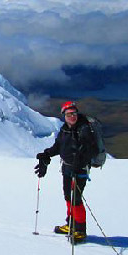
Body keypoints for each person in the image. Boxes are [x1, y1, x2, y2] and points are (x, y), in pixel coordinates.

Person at [35, 101, 97, 244]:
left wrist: (78, 164)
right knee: (68, 197)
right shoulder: (65, 130)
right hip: (67, 168)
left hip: (79, 170)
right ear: (64, 116)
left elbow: (90, 150)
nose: (72, 116)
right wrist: (46, 154)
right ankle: (71, 224)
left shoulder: (84, 129)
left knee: (76, 199)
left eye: (74, 113)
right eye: (69, 114)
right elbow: (58, 147)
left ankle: (80, 230)